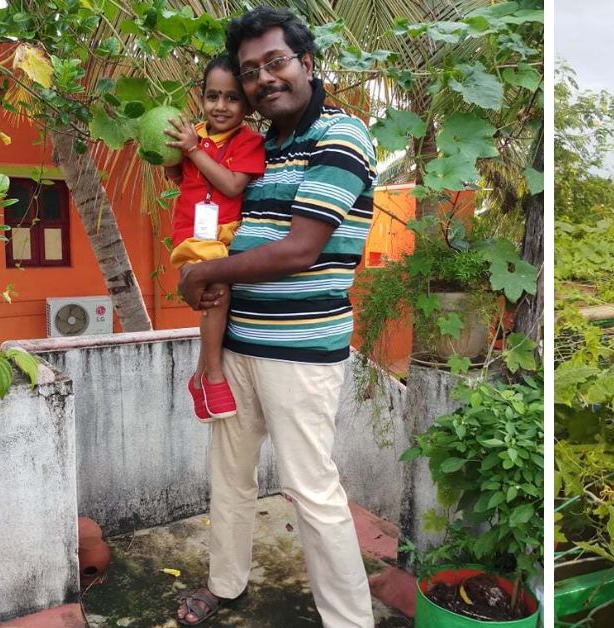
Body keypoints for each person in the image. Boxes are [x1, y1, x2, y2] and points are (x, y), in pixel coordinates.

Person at [173, 6, 378, 627]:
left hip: (301, 353)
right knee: (229, 477)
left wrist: (204, 274)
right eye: (250, 70)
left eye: (276, 62)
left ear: (307, 63)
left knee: (312, 493)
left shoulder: (341, 136)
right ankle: (227, 584)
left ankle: (348, 620)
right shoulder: (263, 148)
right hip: (237, 345)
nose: (263, 79)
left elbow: (300, 249)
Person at [162, 54, 266, 422]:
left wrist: (192, 149)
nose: (220, 106)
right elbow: (176, 176)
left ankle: (198, 377)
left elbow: (232, 184)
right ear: (201, 97)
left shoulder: (248, 142)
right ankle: (213, 374)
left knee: (219, 299)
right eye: (212, 96)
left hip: (229, 233)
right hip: (194, 232)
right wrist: (172, 151)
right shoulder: (193, 133)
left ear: (247, 103)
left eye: (232, 98)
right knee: (216, 294)